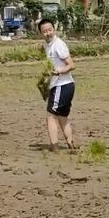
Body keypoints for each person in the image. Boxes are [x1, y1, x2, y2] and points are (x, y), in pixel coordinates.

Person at [40, 18, 76, 151]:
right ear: (41, 33)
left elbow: (71, 65)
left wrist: (59, 71)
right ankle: (71, 144)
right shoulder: (49, 46)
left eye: (49, 30)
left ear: (54, 30)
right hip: (63, 85)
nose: (48, 33)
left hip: (62, 85)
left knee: (51, 115)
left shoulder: (58, 44)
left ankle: (54, 146)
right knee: (62, 117)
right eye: (44, 31)